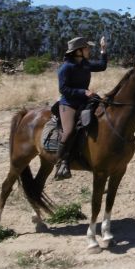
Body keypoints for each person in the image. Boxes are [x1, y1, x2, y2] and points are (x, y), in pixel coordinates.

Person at [55, 36, 108, 180]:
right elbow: (63, 89)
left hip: (85, 100)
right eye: (87, 48)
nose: (89, 50)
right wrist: (83, 92)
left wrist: (103, 49)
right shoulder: (66, 67)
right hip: (69, 103)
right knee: (69, 130)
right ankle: (61, 163)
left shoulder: (85, 64)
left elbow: (102, 66)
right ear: (78, 51)